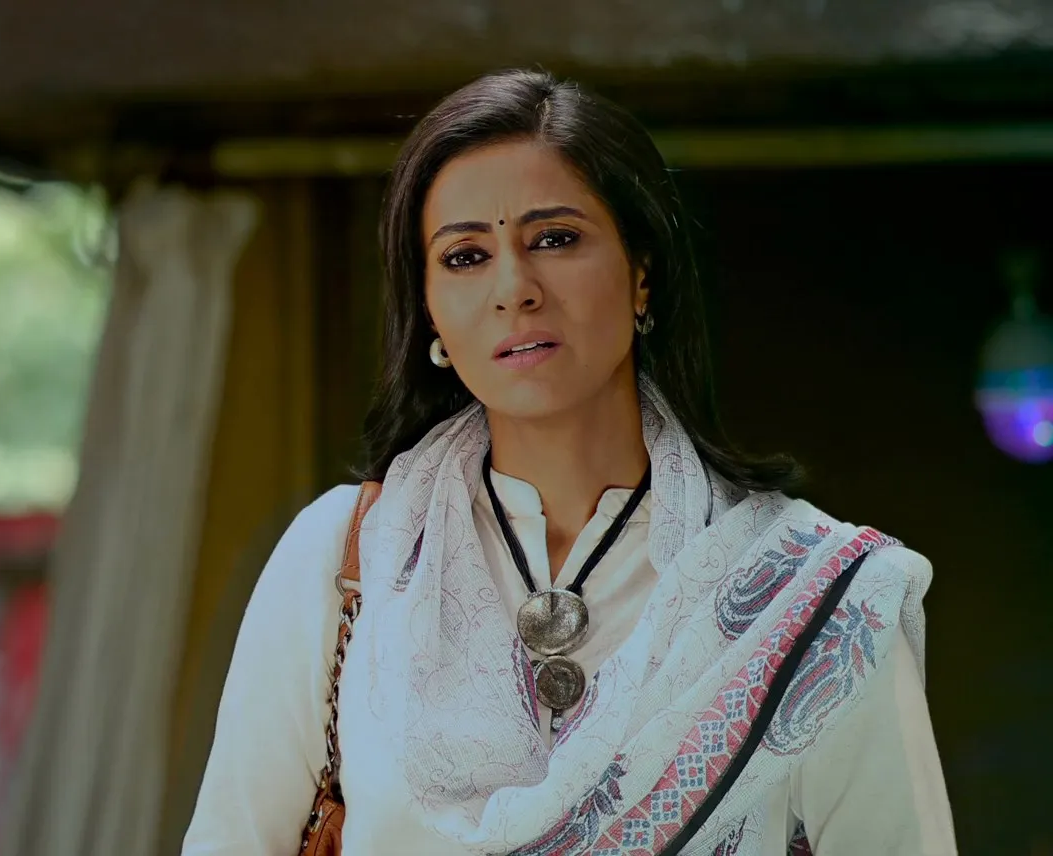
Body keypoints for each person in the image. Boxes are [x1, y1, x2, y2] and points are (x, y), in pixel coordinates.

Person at [181, 69, 956, 855]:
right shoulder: (347, 564)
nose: (514, 288)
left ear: (642, 273)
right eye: (465, 256)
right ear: (430, 313)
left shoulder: (813, 597)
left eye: (555, 239)